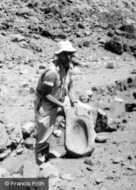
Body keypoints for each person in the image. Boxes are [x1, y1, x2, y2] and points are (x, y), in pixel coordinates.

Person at [34, 40, 78, 165]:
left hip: (62, 99)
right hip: (46, 104)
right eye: (65, 54)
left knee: (75, 118)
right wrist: (61, 105)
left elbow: (70, 86)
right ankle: (41, 164)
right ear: (58, 55)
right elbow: (45, 94)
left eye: (70, 53)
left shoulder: (68, 66)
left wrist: (74, 102)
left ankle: (75, 148)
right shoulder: (52, 72)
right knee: (43, 136)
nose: (69, 56)